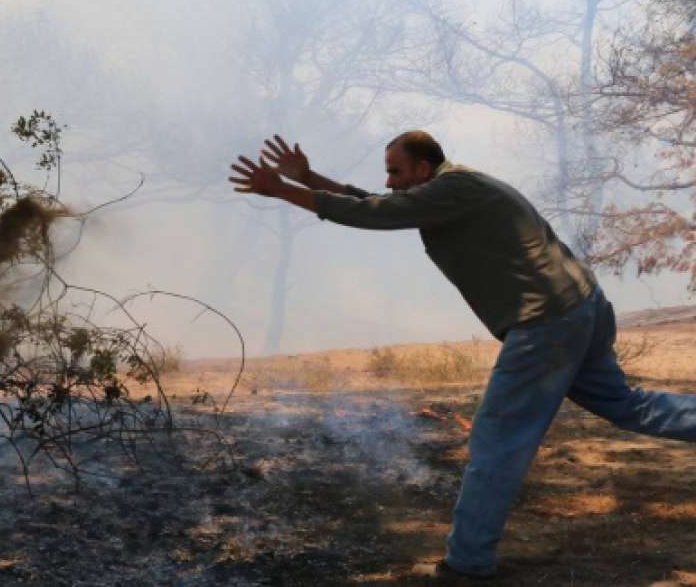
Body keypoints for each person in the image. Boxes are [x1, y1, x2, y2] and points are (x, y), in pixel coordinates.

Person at [228, 131, 696, 578]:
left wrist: (282, 190)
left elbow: (371, 212)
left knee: (497, 440)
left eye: (395, 171)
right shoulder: (452, 187)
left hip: (547, 322)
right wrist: (308, 180)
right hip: (579, 306)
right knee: (626, 405)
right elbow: (381, 203)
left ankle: (468, 561)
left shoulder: (454, 188)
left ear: (424, 169)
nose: (389, 181)